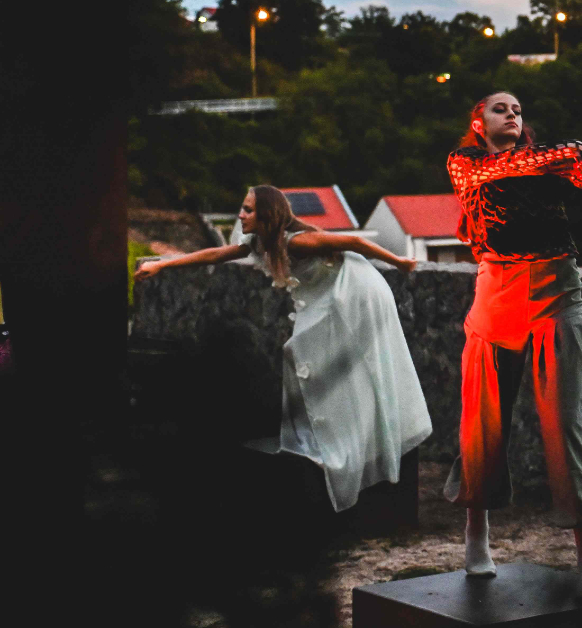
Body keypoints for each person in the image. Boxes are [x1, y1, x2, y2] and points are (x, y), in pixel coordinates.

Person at [444, 90, 582, 596]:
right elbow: (540, 162)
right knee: (482, 424)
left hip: (556, 293)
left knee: (566, 424)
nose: (512, 114)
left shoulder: (545, 164)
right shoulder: (465, 163)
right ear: (478, 123)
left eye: (518, 109)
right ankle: (476, 533)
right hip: (496, 295)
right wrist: (579, 149)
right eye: (500, 109)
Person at [135, 185, 433, 513]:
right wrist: (161, 265)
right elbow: (215, 254)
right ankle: (323, 431)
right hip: (325, 296)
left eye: (248, 210)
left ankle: (347, 437)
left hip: (356, 292)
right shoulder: (259, 242)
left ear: (267, 215)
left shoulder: (298, 241)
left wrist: (399, 262)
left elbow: (355, 242)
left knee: (303, 350)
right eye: (243, 208)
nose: (240, 215)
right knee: (299, 354)